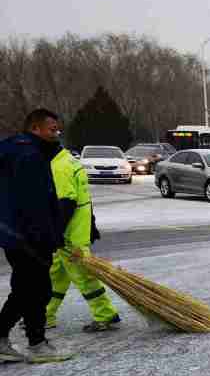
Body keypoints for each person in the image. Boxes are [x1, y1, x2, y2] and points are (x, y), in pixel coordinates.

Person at [0, 109, 70, 363]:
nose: (57, 133)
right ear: (35, 129)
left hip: (17, 233)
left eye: (57, 129)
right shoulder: (28, 155)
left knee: (28, 288)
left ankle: (30, 341)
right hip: (26, 235)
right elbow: (34, 203)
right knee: (35, 289)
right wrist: (48, 236)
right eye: (52, 129)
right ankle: (35, 344)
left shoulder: (22, 151)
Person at [45, 140, 121, 332]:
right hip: (76, 230)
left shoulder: (59, 167)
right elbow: (83, 196)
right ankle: (45, 315)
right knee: (55, 276)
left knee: (83, 277)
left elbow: (67, 203)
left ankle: (105, 314)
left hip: (69, 235)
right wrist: (91, 224)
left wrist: (55, 233)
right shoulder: (70, 160)